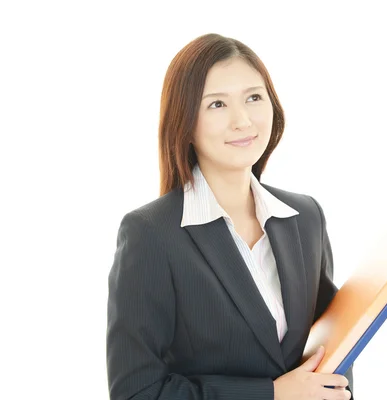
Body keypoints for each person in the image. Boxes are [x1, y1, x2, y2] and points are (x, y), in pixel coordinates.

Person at [106, 33, 354, 400]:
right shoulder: (151, 234)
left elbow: (334, 350)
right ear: (185, 122)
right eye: (217, 104)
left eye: (254, 97)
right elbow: (136, 392)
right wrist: (271, 395)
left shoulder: (305, 217)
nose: (242, 120)